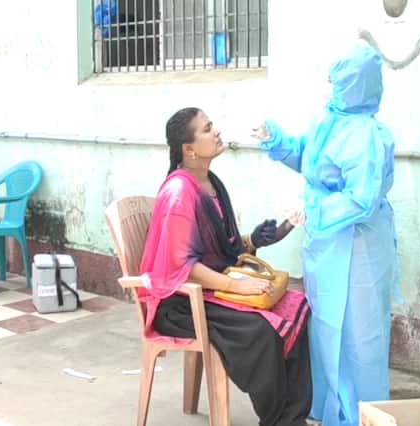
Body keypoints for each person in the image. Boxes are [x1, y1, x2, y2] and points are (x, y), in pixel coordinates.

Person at [253, 42, 401, 426]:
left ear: (356, 85)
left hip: (357, 247)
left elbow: (361, 199)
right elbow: (309, 158)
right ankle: (330, 408)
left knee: (359, 336)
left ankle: (363, 415)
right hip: (324, 244)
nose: (331, 88)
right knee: (324, 328)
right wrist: (277, 141)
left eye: (339, 82)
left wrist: (315, 210)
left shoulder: (367, 136)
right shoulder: (328, 118)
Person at [139, 107, 312, 426]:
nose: (216, 131)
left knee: (296, 306)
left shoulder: (210, 183)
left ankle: (293, 416)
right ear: (189, 150)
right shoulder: (179, 193)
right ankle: (279, 420)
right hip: (181, 303)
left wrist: (258, 239)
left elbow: (222, 249)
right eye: (207, 129)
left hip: (211, 289)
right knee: (261, 329)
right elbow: (184, 267)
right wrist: (236, 286)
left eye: (212, 125)